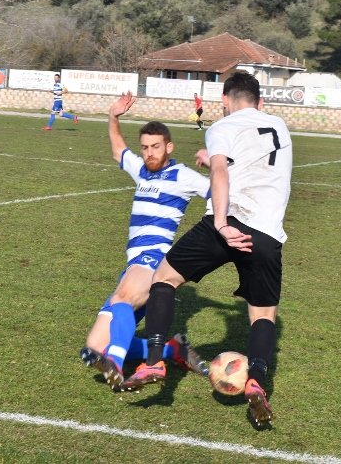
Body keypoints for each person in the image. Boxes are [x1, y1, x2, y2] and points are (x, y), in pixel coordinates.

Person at [121, 71, 292, 429]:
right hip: (267, 234)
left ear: (225, 101)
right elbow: (248, 158)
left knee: (164, 278)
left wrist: (221, 225)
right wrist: (213, 153)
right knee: (263, 315)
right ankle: (257, 378)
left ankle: (154, 359)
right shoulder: (278, 125)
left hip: (227, 223)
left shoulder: (221, 126)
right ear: (260, 102)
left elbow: (221, 172)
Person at [80, 92, 211, 390]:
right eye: (145, 148)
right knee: (94, 345)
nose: (150, 152)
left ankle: (115, 361)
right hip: (133, 264)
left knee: (122, 300)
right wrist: (113, 117)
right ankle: (172, 349)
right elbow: (118, 151)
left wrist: (217, 163)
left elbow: (219, 192)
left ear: (169, 147)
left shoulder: (182, 175)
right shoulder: (141, 170)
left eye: (156, 147)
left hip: (154, 258)